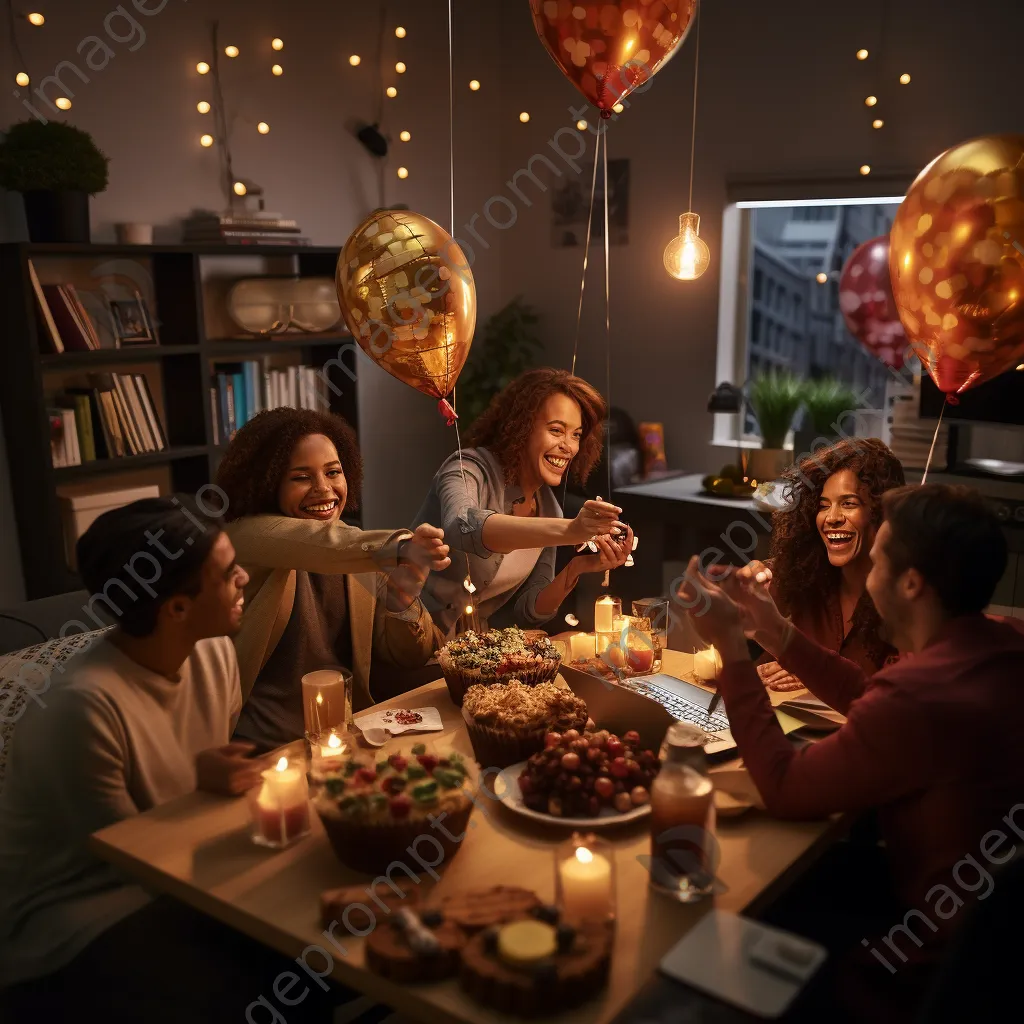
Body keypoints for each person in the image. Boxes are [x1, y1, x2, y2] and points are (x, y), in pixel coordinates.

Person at [677, 483, 1024, 1021]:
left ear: (910, 583)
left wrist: (729, 648)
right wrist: (770, 628)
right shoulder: (1001, 644)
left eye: (878, 560)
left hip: (912, 971)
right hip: (988, 952)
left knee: (708, 928)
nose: (867, 575)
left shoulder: (917, 697)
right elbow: (873, 698)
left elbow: (785, 787)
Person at [0, 497, 343, 1022]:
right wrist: (207, 794)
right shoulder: (82, 710)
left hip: (185, 878)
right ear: (176, 608)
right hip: (78, 922)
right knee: (285, 977)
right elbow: (138, 861)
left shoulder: (211, 651)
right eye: (229, 575)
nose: (245, 581)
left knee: (333, 948)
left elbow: (196, 797)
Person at [216, 407, 449, 749]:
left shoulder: (356, 547)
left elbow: (412, 657)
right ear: (267, 483)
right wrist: (402, 545)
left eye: (333, 472)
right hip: (263, 750)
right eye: (301, 477)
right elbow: (318, 543)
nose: (324, 489)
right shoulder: (244, 537)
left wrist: (403, 598)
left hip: (348, 737)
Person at [415, 367, 634, 636]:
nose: (569, 446)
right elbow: (462, 526)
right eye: (556, 430)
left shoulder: (548, 507)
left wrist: (579, 567)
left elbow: (529, 610)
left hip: (466, 652)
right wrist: (571, 531)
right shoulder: (468, 467)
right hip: (408, 633)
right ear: (522, 428)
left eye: (576, 434)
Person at [740, 437, 905, 691]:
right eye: (823, 506)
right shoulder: (798, 570)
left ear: (881, 511)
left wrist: (812, 670)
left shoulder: (906, 598)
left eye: (849, 503)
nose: (832, 518)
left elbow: (897, 699)